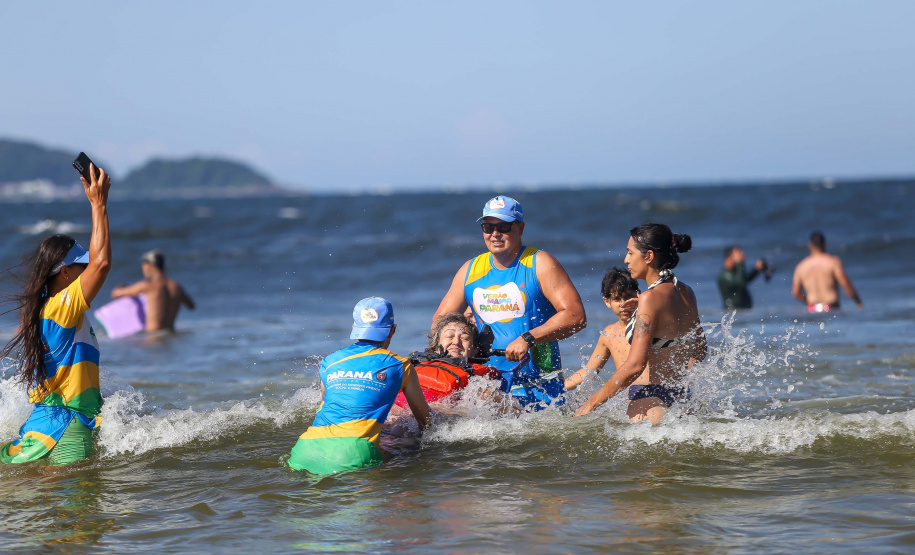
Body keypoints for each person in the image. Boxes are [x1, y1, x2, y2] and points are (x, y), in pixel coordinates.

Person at [1, 164, 112, 465]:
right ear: (65, 273)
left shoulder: (38, 311)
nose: (88, 271)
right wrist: (98, 204)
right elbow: (102, 263)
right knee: (79, 512)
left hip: (39, 429)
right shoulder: (63, 306)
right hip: (68, 430)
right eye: (81, 266)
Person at [433, 195, 587, 409]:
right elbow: (440, 321)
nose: (495, 234)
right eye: (488, 227)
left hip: (541, 388)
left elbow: (575, 316)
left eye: (504, 227)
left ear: (520, 228)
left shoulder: (539, 263)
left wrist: (528, 338)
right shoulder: (469, 270)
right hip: (488, 389)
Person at [575, 223, 707, 425]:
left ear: (649, 256)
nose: (625, 259)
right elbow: (700, 350)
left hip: (649, 398)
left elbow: (635, 366)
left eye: (630, 253)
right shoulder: (686, 292)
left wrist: (590, 404)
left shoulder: (649, 299)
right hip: (682, 398)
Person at [288, 297, 432, 475]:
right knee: (408, 449)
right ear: (392, 330)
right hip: (355, 454)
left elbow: (330, 406)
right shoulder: (400, 365)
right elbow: (426, 421)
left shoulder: (329, 362)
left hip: (304, 451)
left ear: (354, 328)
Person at [564, 268, 640, 392]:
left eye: (628, 297)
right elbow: (588, 372)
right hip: (630, 396)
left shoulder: (648, 325)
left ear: (638, 296)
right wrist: (560, 389)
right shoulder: (609, 334)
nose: (624, 304)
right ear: (607, 302)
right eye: (617, 299)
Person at [111, 249, 195, 332]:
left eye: (144, 265)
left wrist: (121, 288)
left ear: (149, 265)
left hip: (153, 338)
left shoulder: (148, 285)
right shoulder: (176, 286)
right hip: (171, 336)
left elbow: (115, 294)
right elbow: (191, 306)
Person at [792, 231, 862, 312]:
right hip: (831, 308)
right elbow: (845, 284)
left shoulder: (801, 266)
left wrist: (808, 301)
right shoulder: (832, 262)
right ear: (824, 244)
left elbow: (796, 293)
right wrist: (858, 302)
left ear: (809, 245)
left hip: (812, 309)